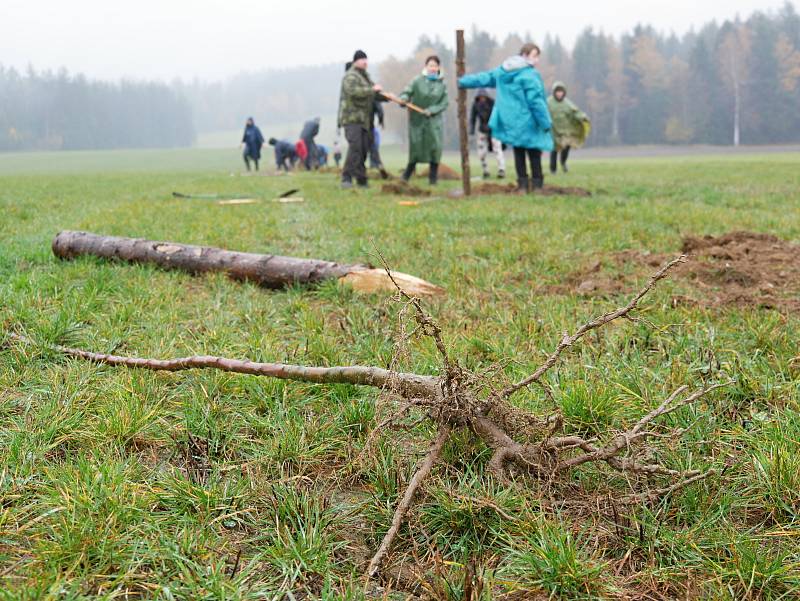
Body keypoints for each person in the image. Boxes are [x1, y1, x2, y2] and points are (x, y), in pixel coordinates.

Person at [458, 43, 552, 191]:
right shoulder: (530, 75)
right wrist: (545, 122)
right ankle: (537, 186)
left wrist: (463, 81)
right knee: (534, 153)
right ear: (525, 55)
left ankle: (522, 185)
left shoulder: (503, 71)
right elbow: (536, 101)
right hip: (529, 121)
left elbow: (485, 78)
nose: (537, 60)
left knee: (519, 152)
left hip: (512, 121)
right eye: (535, 56)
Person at [399, 55, 449, 185]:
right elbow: (407, 91)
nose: (432, 68)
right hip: (417, 121)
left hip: (433, 122)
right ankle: (405, 176)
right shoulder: (417, 81)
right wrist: (404, 98)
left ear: (438, 67)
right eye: (430, 65)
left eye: (435, 65)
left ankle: (433, 179)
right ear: (426, 67)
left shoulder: (442, 85)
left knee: (435, 149)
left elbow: (444, 103)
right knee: (416, 148)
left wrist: (432, 110)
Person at [338, 50, 383, 189]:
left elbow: (374, 94)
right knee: (355, 148)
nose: (365, 62)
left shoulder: (365, 77)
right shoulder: (351, 76)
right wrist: (372, 90)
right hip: (352, 119)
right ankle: (346, 178)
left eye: (366, 59)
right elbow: (354, 92)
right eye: (362, 59)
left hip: (365, 120)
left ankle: (361, 179)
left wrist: (386, 97)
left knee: (363, 150)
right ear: (355, 61)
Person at [548, 81, 590, 174]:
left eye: (561, 91)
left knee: (566, 148)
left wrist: (583, 117)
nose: (559, 93)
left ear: (564, 92)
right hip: (553, 131)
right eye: (557, 91)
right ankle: (553, 169)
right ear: (554, 92)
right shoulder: (548, 102)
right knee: (554, 150)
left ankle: (563, 162)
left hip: (566, 131)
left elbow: (576, 113)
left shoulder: (567, 103)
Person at [470, 89, 506, 179]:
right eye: (480, 97)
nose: (482, 98)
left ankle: (501, 169)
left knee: (497, 149)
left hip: (494, 129)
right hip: (482, 130)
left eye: (484, 97)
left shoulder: (493, 104)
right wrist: (472, 130)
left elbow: (499, 116)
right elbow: (473, 118)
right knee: (481, 152)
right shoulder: (475, 105)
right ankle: (485, 170)